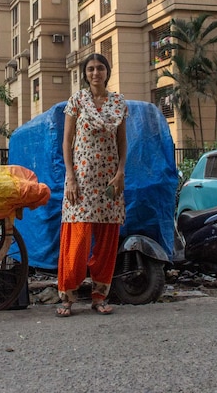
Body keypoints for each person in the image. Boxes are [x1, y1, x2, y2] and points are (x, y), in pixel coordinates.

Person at [57, 53, 128, 317]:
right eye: (90, 69)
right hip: (82, 179)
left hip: (110, 179)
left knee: (107, 241)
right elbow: (67, 141)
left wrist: (121, 172)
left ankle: (99, 297)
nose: (95, 73)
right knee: (78, 238)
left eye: (100, 68)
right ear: (85, 74)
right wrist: (71, 177)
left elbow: (122, 142)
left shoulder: (119, 102)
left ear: (107, 72)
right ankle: (67, 297)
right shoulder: (76, 100)